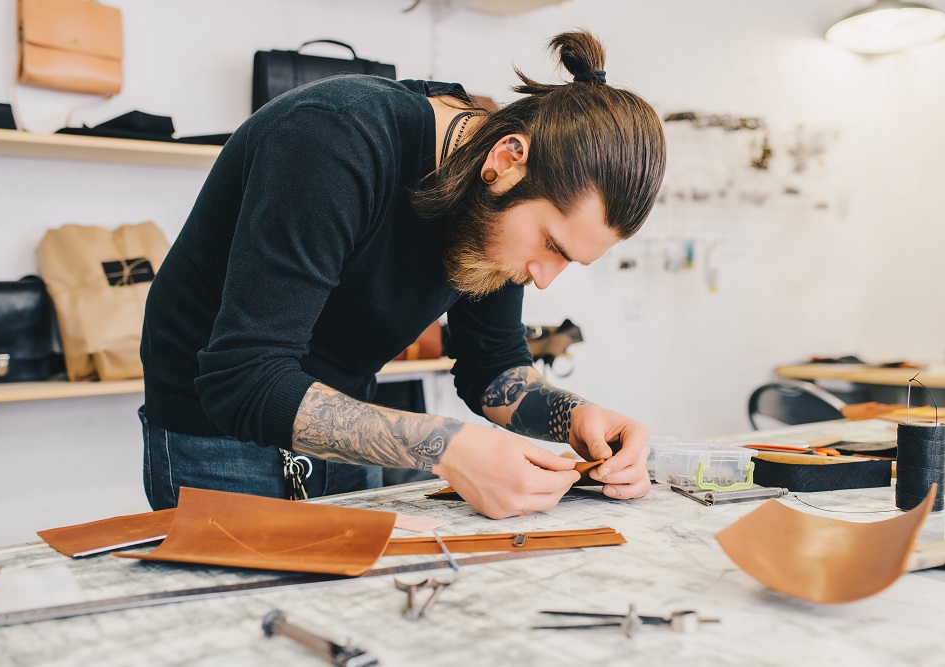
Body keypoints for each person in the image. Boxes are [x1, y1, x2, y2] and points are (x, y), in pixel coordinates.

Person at [139, 29, 667, 519]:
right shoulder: (332, 140)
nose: (544, 276)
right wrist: (447, 446)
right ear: (509, 161)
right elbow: (243, 380)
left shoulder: (493, 198)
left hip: (341, 420)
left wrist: (576, 416)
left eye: (568, 260)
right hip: (215, 430)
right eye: (550, 244)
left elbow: (493, 365)